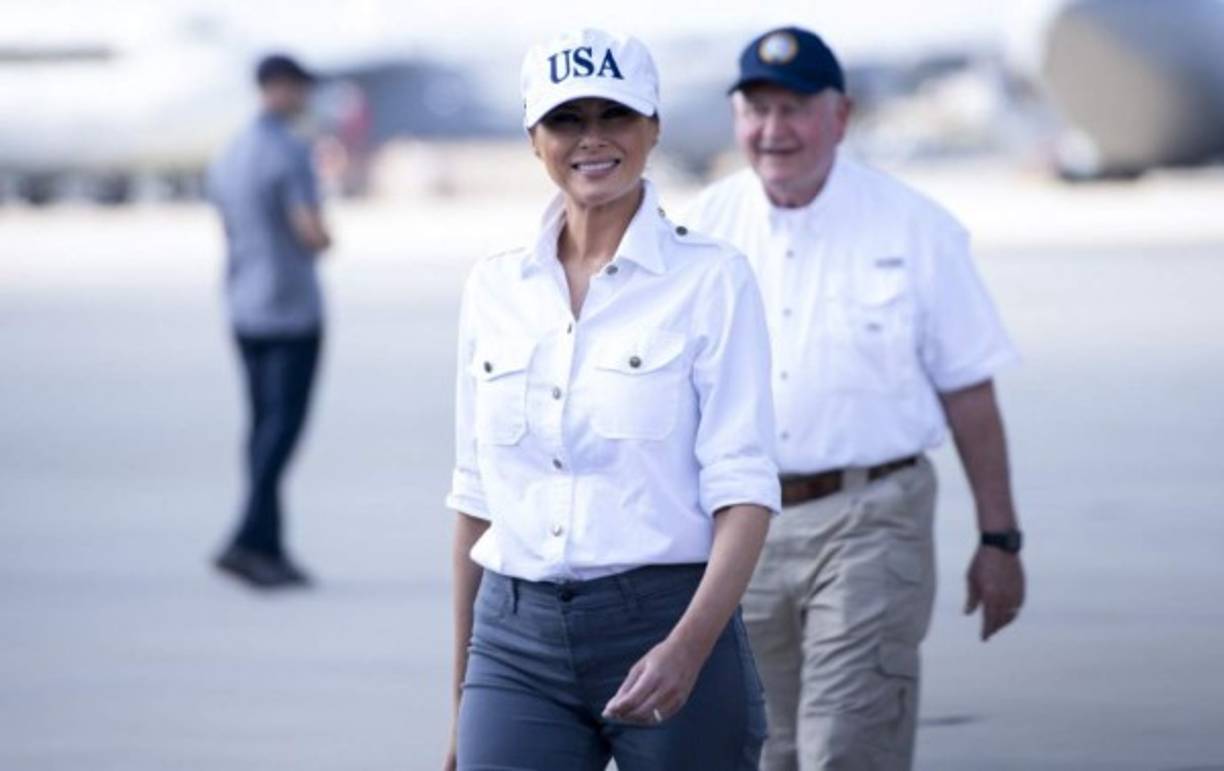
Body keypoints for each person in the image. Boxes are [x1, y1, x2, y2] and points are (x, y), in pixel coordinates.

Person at [683, 26, 1027, 771]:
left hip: (873, 518)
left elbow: (970, 390)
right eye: (757, 108)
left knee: (848, 747)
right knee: (760, 748)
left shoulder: (918, 228)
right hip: (738, 530)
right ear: (737, 117)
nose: (774, 130)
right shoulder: (695, 232)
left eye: (795, 109)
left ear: (840, 116)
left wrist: (1000, 539)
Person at [444, 28, 781, 771]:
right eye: (567, 120)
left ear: (653, 127)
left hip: (667, 619)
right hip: (514, 637)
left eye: (615, 115)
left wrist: (688, 648)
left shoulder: (712, 280)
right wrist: (461, 706)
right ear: (534, 139)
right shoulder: (493, 287)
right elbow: (475, 496)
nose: (592, 139)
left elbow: (746, 490)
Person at [207, 53, 333, 589]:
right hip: (289, 309)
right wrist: (326, 237)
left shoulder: (230, 152)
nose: (306, 98)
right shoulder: (289, 150)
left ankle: (268, 545)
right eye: (301, 88)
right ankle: (246, 540)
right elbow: (311, 231)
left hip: (243, 304)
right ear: (280, 88)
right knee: (281, 432)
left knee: (261, 428)